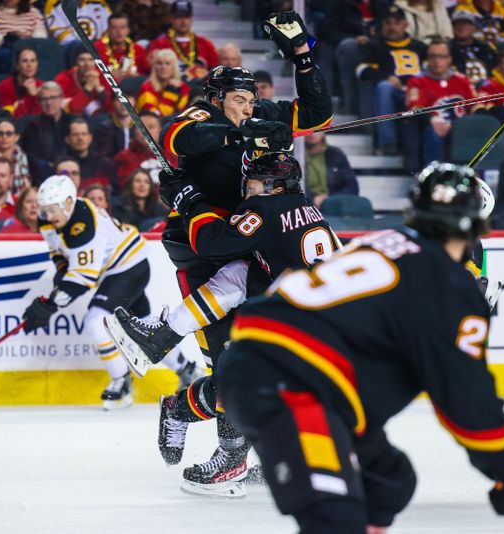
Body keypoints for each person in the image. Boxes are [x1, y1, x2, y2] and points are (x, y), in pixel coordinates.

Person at [217, 162, 504, 533]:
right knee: (334, 519)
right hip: (291, 386)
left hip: (269, 360)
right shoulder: (449, 284)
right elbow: (465, 395)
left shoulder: (380, 243)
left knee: (389, 481)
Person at [156, 11, 332, 493]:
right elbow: (178, 137)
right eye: (239, 99)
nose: (249, 106)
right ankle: (222, 450)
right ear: (215, 99)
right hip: (202, 248)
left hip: (248, 245)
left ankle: (221, 443)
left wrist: (303, 58)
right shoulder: (203, 116)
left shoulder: (257, 115)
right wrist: (240, 133)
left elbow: (318, 113)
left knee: (248, 358)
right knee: (226, 358)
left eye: (252, 98)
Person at [106, 154, 340, 496]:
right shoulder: (307, 207)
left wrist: (190, 199)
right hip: (330, 323)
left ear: (274, 187)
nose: (247, 189)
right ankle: (160, 346)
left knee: (239, 369)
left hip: (307, 330)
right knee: (237, 280)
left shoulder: (265, 211)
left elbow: (212, 241)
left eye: (254, 183)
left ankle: (227, 453)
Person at [22, 174, 201, 410]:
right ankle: (187, 369)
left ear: (67, 203)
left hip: (129, 267)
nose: (47, 216)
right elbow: (58, 253)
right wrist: (61, 273)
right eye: (44, 210)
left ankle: (121, 382)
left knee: (95, 321)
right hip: (120, 268)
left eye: (52, 209)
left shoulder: (84, 224)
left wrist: (51, 303)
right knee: (143, 326)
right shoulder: (50, 221)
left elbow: (84, 277)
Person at [356, 6, 426, 155]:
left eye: (396, 23)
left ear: (405, 24)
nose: (392, 27)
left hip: (421, 91)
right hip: (394, 91)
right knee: (384, 87)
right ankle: (388, 143)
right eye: (388, 23)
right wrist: (387, 77)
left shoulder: (420, 47)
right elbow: (361, 70)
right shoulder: (375, 45)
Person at [405, 39, 477, 170]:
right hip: (433, 127)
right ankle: (433, 177)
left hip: (461, 128)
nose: (437, 61)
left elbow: (476, 106)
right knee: (433, 133)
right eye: (432, 56)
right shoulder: (418, 81)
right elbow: (414, 108)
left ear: (449, 59)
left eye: (441, 56)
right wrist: (431, 119)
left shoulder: (462, 80)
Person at [148, 0, 219, 82]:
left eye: (186, 17)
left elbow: (216, 72)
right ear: (171, 19)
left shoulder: (206, 44)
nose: (183, 21)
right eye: (179, 17)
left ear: (192, 19)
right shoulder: (158, 44)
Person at [20, 82, 73, 184]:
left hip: (69, 172)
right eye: (44, 99)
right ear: (39, 102)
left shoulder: (72, 122)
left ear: (62, 98)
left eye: (53, 98)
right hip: (42, 177)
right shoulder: (32, 126)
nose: (49, 103)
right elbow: (30, 158)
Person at [0, 0, 46, 74]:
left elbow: (41, 35)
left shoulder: (34, 12)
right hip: (5, 47)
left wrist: (26, 40)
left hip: (29, 47)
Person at [54, 47, 114, 117]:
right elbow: (73, 109)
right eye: (82, 60)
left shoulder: (105, 77)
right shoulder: (63, 78)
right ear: (76, 62)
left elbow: (114, 108)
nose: (87, 64)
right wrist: (88, 88)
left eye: (91, 59)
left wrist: (100, 89)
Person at [61, 118, 116, 192]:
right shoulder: (62, 166)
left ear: (90, 138)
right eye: (75, 135)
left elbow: (115, 192)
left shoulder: (105, 164)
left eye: (83, 134)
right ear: (67, 139)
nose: (80, 138)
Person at [304, 132, 359, 206]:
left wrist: (329, 198)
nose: (312, 133)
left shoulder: (335, 154)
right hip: (303, 206)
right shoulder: (293, 156)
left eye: (317, 129)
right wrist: (312, 198)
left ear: (323, 132)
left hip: (334, 206)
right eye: (307, 129)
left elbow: (352, 187)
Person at [112, 110, 162, 189]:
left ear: (160, 131)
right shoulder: (123, 158)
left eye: (151, 127)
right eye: (141, 127)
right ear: (134, 130)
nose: (145, 131)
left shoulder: (173, 156)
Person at [93, 12, 149, 81]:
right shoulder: (97, 48)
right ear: (108, 30)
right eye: (114, 28)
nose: (119, 31)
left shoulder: (138, 49)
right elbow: (90, 71)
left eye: (122, 27)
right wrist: (109, 74)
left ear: (128, 30)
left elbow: (147, 76)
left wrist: (135, 76)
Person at [449, 9, 497, 88]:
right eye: (458, 24)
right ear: (453, 28)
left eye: (466, 24)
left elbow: (496, 70)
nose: (461, 27)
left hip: (488, 90)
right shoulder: (447, 49)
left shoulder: (486, 48)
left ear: (474, 28)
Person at [136, 49, 189, 117]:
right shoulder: (146, 88)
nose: (163, 67)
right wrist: (170, 94)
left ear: (174, 67)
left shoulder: (183, 87)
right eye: (159, 63)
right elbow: (153, 117)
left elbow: (183, 115)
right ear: (155, 67)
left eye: (167, 63)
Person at [0, 46, 44, 117]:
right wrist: (30, 98)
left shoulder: (42, 86)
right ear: (17, 66)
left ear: (37, 65)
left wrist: (33, 96)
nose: (29, 65)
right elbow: (10, 117)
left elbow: (41, 117)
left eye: (33, 61)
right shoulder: (4, 86)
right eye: (25, 61)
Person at [0, 117, 30, 195]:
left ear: (17, 137)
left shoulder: (26, 157)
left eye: (9, 134)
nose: (4, 137)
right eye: (0, 133)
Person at [43, 0, 110, 44]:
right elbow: (60, 34)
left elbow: (109, 28)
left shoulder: (99, 2)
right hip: (71, 49)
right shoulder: (54, 3)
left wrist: (100, 45)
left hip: (99, 47)